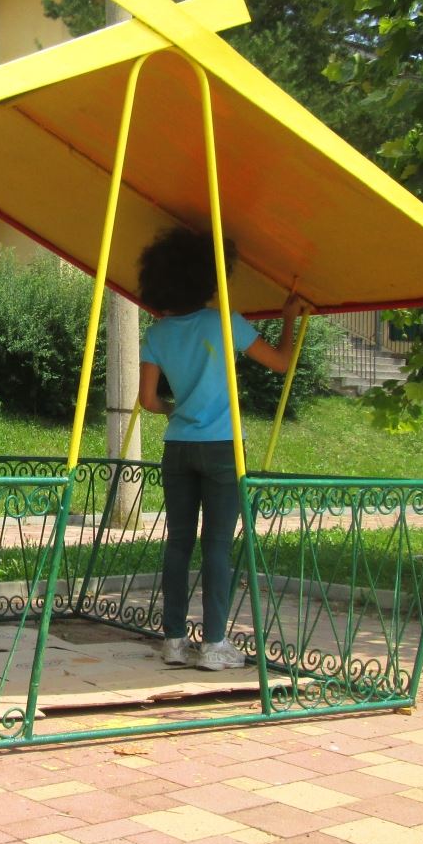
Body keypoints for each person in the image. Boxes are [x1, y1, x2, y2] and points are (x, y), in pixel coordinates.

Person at [136, 227, 309, 672]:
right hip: (222, 447)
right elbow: (281, 362)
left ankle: (174, 640)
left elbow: (148, 400)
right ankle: (214, 644)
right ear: (207, 277)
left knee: (178, 543)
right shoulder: (223, 322)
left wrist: (175, 409)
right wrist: (289, 318)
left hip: (178, 447)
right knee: (216, 545)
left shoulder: (157, 335)